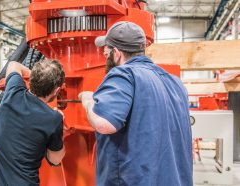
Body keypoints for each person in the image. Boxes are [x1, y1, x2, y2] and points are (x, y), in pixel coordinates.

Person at [79, 21, 193, 186]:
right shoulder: (175, 82)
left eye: (106, 54)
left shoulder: (124, 74)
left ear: (116, 53)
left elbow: (104, 124)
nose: (105, 58)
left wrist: (88, 101)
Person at [0, 59, 66, 186]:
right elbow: (55, 159)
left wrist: (39, 77)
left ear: (32, 79)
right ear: (56, 91)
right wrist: (61, 133)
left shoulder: (13, 91)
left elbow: (13, 64)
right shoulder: (54, 119)